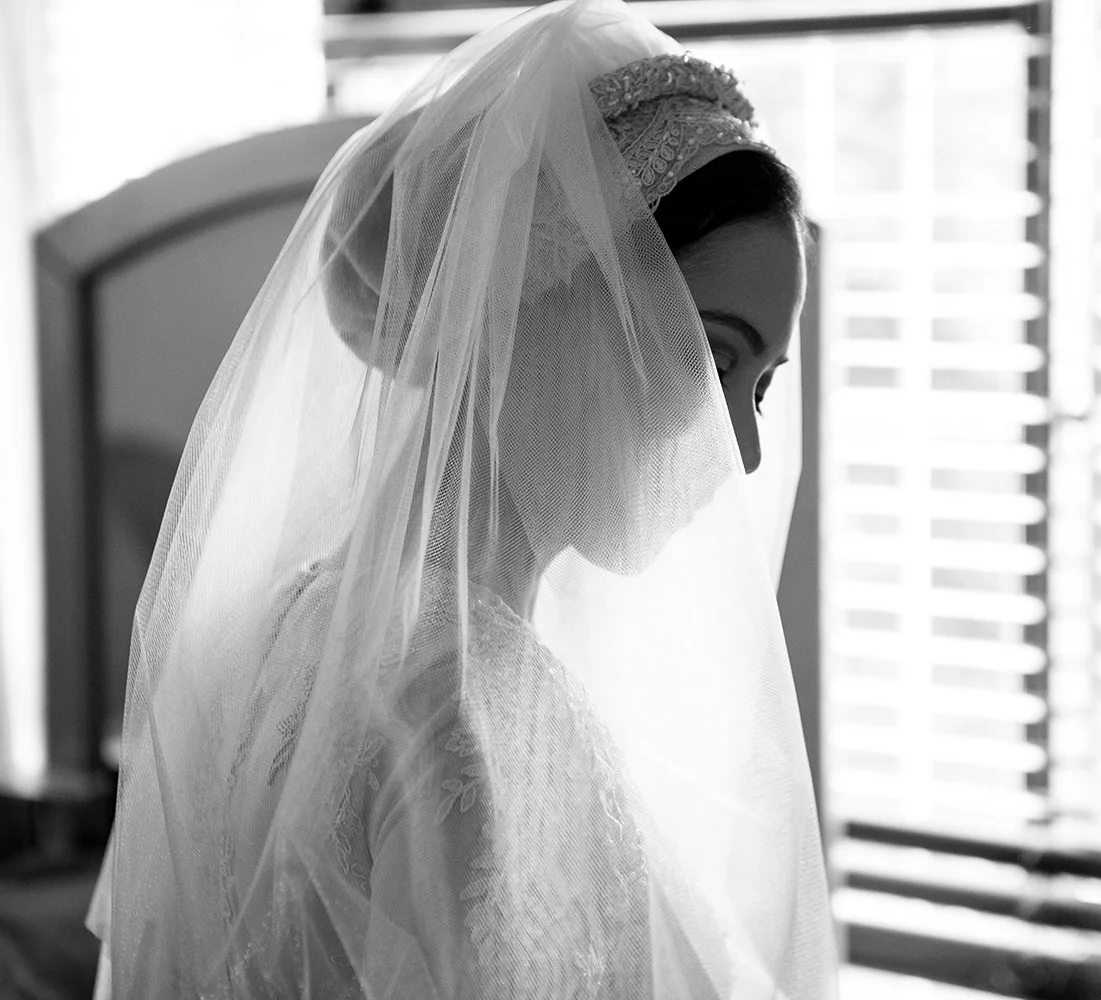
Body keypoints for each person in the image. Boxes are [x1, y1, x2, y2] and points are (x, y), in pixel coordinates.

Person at [85, 0, 837, 996]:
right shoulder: (478, 718)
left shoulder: (288, 627)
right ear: (530, 299)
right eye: (706, 356)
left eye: (761, 386)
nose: (737, 448)